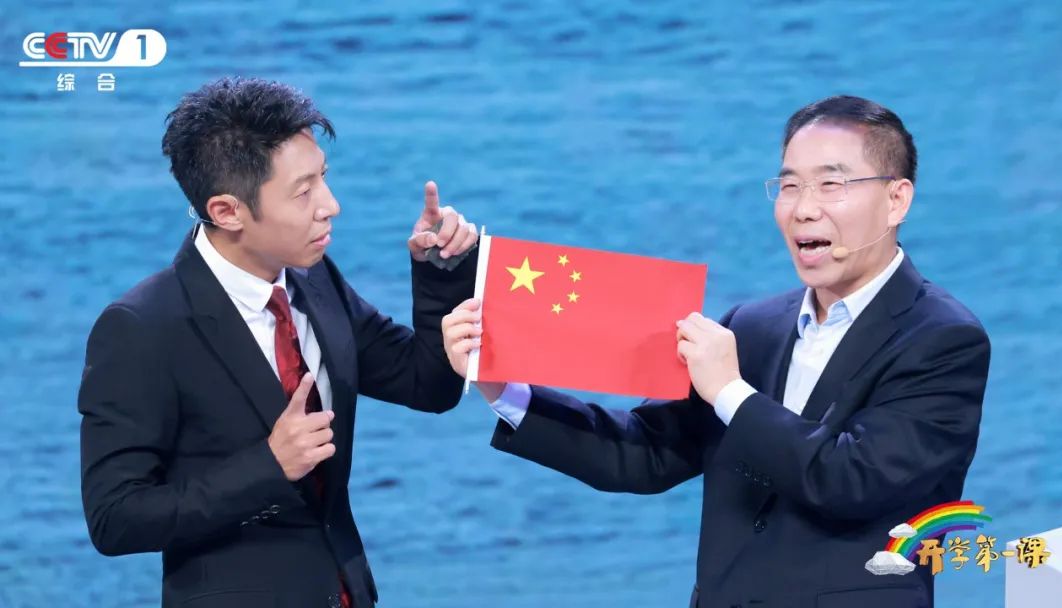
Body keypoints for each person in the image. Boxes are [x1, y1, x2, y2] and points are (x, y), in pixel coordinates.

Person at [441, 95, 991, 608]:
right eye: (790, 185)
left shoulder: (943, 340)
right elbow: (642, 454)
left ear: (896, 200)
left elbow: (849, 480)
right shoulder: (751, 327)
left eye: (831, 184)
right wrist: (503, 386)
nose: (804, 209)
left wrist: (730, 391)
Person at [78, 77, 478, 608]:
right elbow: (115, 518)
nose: (330, 206)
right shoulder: (143, 327)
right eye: (303, 191)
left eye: (323, 178)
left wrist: (440, 274)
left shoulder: (315, 279)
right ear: (227, 211)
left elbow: (425, 384)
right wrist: (269, 466)